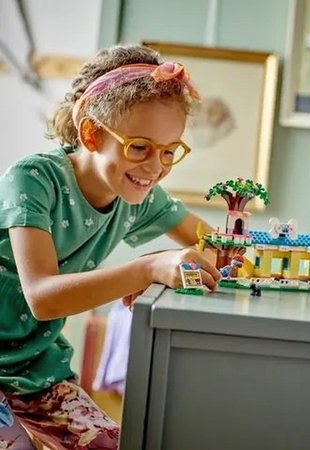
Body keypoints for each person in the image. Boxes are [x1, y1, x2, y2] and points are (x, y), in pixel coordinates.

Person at [0, 44, 222, 449]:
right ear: (91, 133)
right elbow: (42, 298)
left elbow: (220, 249)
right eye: (139, 147)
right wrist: (147, 269)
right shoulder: (33, 178)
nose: (156, 167)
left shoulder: (142, 199)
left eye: (169, 151)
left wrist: (166, 261)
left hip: (36, 372)